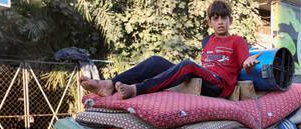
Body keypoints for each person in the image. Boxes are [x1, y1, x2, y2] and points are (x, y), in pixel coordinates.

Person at [80, 0, 260, 100]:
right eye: (216, 18)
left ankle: (137, 89)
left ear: (230, 20)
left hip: (220, 85)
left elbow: (245, 63)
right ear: (210, 22)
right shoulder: (207, 41)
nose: (220, 21)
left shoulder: (237, 41)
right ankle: (110, 84)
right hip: (204, 78)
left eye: (224, 18)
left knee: (188, 65)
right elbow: (204, 66)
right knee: (156, 61)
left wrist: (249, 64)